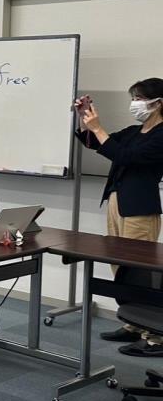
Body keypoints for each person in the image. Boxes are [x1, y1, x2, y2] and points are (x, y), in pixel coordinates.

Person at [75, 77, 163, 357]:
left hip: (140, 207)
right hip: (117, 201)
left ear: (158, 103)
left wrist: (98, 127)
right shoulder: (136, 131)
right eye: (133, 97)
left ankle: (156, 336)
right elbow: (100, 143)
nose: (134, 103)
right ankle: (134, 323)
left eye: (139, 98)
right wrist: (85, 120)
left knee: (142, 271)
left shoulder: (161, 134)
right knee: (120, 266)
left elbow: (126, 157)